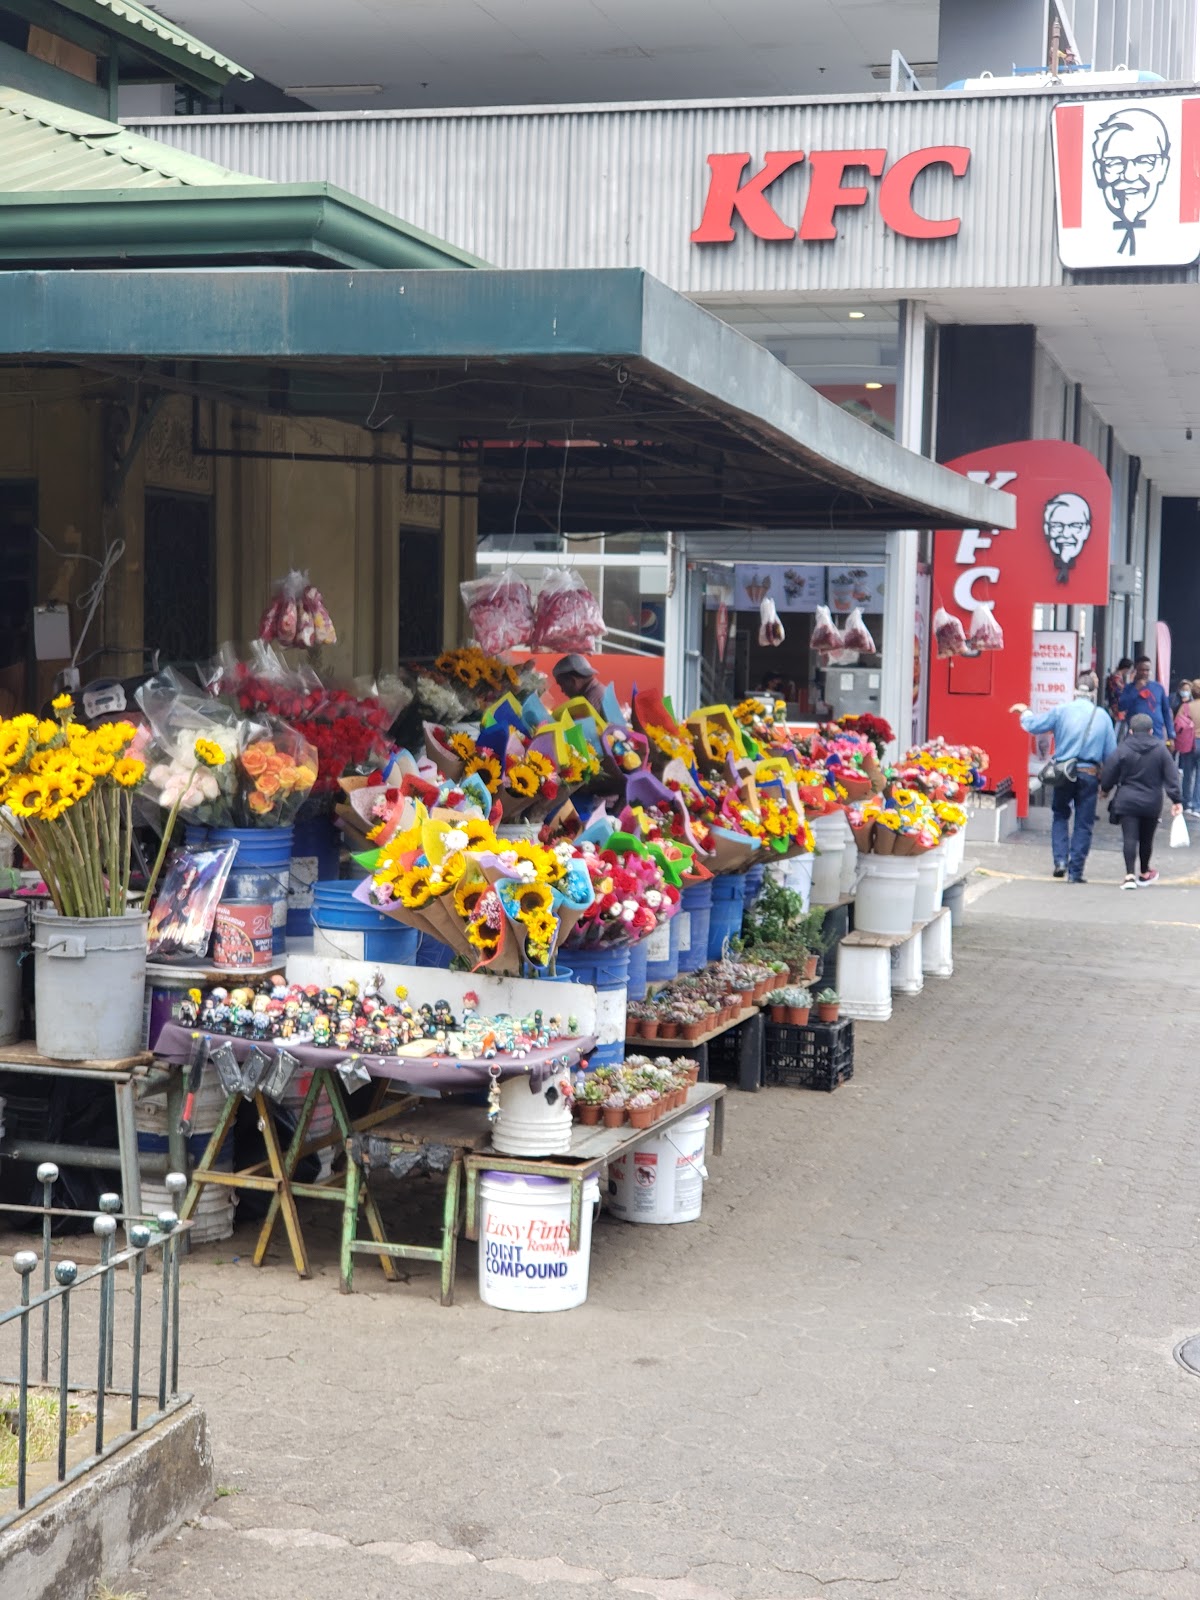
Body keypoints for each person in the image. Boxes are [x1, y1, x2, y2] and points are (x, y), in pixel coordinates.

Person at [1011, 671, 1116, 883]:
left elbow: (1034, 726)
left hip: (1063, 773)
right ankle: (1075, 872)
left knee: (1060, 814)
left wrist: (1026, 712)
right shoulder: (1103, 716)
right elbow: (1111, 755)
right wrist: (1106, 785)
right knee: (1083, 823)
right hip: (1089, 774)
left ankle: (1060, 860)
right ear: (1094, 693)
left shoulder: (1061, 711)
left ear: (1075, 690)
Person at [1099, 711, 1183, 888]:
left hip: (1127, 799)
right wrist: (1176, 799)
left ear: (1130, 731)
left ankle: (1129, 875)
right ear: (1151, 731)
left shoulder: (1122, 748)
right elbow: (1171, 775)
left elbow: (1109, 771)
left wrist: (1105, 789)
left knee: (1129, 837)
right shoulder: (1160, 749)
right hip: (1151, 801)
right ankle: (1144, 872)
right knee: (1146, 839)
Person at [1117, 656, 1174, 744]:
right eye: (1141, 670)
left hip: (1156, 735)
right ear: (1136, 670)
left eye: (1147, 670)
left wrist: (1171, 736)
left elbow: (1166, 712)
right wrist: (1136, 689)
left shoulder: (1158, 688)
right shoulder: (1129, 688)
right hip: (1135, 737)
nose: (1145, 673)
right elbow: (1121, 706)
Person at [1176, 683, 1200, 815]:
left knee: (1187, 775)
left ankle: (1186, 803)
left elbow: (1177, 723)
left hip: (1188, 743)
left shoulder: (1185, 707)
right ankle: (1197, 805)